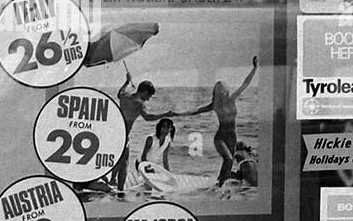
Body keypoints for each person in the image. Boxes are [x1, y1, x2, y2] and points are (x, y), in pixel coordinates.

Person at [187, 55, 259, 185]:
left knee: (229, 166)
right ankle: (218, 185)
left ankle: (221, 182)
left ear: (226, 91)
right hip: (220, 137)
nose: (222, 93)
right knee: (228, 159)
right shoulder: (215, 106)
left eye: (223, 90)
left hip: (232, 136)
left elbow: (246, 84)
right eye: (219, 91)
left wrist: (255, 68)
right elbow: (196, 111)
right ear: (217, 92)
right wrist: (175, 114)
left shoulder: (232, 99)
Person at [111, 65, 175, 194]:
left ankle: (112, 179)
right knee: (124, 163)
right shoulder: (140, 103)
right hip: (124, 135)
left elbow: (119, 93)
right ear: (145, 92)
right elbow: (148, 117)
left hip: (114, 133)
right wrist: (165, 114)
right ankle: (120, 191)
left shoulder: (125, 96)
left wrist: (127, 82)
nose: (149, 99)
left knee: (119, 158)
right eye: (149, 96)